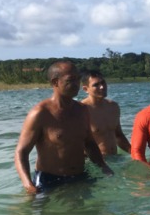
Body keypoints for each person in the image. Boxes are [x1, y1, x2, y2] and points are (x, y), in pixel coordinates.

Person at [15, 61, 113, 194]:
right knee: (41, 214)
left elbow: (89, 143)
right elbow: (21, 152)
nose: (76, 84)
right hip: (49, 181)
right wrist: (28, 185)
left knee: (93, 212)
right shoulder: (40, 113)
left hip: (80, 176)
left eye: (78, 79)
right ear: (55, 82)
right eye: (71, 80)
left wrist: (103, 166)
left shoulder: (82, 110)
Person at [81, 70, 131, 155]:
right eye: (96, 85)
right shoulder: (81, 110)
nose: (102, 87)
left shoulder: (113, 106)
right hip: (94, 163)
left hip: (115, 158)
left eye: (103, 82)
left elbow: (119, 135)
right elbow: (77, 143)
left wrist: (136, 155)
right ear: (86, 89)